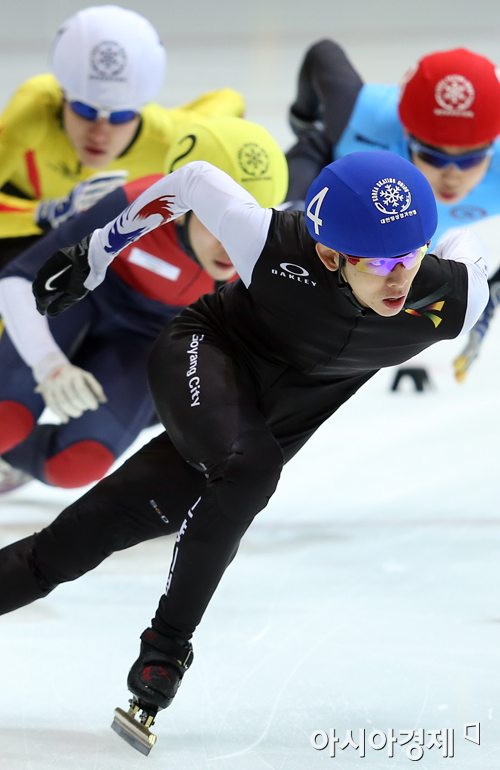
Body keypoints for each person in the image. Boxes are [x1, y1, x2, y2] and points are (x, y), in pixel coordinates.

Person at [0, 151, 488, 753]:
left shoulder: (450, 301)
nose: (400, 281)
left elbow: (480, 244)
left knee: (69, 546)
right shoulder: (271, 243)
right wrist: (91, 256)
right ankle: (167, 650)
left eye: (412, 257)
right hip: (204, 357)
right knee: (251, 469)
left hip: (264, 423)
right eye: (381, 263)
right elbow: (193, 180)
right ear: (329, 255)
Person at [0, 116, 288, 492]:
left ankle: (14, 457)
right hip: (81, 300)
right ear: (182, 208)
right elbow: (18, 278)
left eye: (250, 226)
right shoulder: (133, 204)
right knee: (5, 423)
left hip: (149, 338)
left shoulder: (276, 248)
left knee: (76, 465)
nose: (231, 246)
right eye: (218, 225)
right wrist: (48, 364)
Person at [286, 40, 500, 383]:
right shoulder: (359, 117)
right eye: (433, 155)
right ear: (406, 134)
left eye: (472, 159)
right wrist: (304, 120)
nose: (452, 174)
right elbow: (322, 55)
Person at [0, 4, 244, 272]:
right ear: (63, 99)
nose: (99, 133)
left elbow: (231, 102)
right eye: (85, 110)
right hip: (24, 210)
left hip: (96, 233)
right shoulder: (34, 110)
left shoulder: (171, 136)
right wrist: (45, 213)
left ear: (140, 111)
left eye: (120, 116)